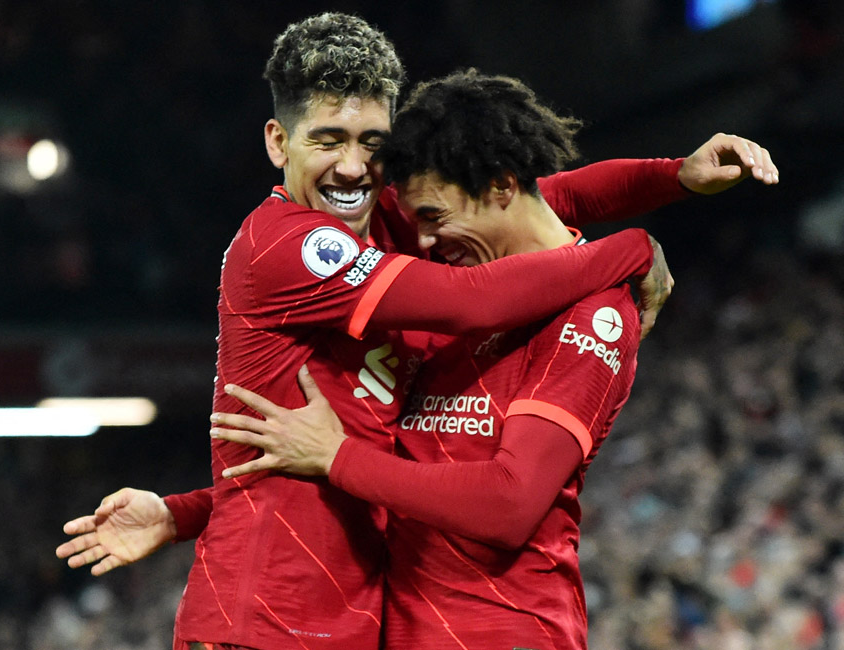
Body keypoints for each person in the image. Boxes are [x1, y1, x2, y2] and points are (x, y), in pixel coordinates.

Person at [56, 14, 777, 650]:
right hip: (271, 618)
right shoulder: (293, 243)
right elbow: (470, 302)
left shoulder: (405, 227)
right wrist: (629, 251)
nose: (350, 166)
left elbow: (542, 193)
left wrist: (674, 176)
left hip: (366, 619)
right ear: (278, 142)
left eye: (370, 143)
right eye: (326, 139)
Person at [204, 68, 696, 649]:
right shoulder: (460, 297)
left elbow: (510, 503)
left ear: (500, 187)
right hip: (403, 629)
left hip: (504, 631)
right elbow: (388, 461)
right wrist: (187, 513)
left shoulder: (594, 314)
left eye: (434, 218)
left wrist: (634, 245)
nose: (427, 242)